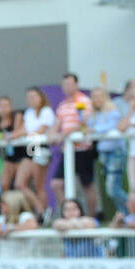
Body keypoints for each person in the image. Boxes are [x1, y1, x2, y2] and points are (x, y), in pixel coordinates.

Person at [51, 73, 97, 218]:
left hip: (82, 149)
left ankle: (90, 218)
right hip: (67, 150)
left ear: (77, 85)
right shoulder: (63, 105)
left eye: (70, 84)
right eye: (65, 84)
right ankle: (70, 214)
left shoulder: (83, 101)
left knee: (87, 185)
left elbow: (83, 124)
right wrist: (51, 135)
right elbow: (56, 124)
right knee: (56, 184)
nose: (67, 87)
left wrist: (65, 134)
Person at [16, 87, 56, 215]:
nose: (31, 100)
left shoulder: (46, 111)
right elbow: (23, 130)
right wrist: (12, 135)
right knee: (20, 183)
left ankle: (42, 214)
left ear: (40, 98)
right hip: (29, 149)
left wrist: (25, 133)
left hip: (41, 149)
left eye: (33, 97)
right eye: (28, 98)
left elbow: (42, 130)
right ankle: (40, 209)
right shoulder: (29, 112)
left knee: (39, 184)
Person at [88, 86, 127, 217]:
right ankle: (124, 215)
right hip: (103, 154)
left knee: (112, 188)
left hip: (115, 152)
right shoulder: (94, 114)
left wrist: (95, 130)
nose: (97, 99)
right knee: (111, 188)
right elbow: (88, 127)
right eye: (94, 97)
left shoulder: (113, 111)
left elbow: (112, 126)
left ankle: (132, 211)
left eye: (100, 96)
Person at [0, 95, 25, 193]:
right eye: (1, 106)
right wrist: (0, 136)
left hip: (22, 154)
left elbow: (17, 132)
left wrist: (3, 136)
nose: (3, 109)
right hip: (9, 155)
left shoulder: (16, 116)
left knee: (19, 185)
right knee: (3, 185)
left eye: (6, 106)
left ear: (11, 106)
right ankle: (5, 206)